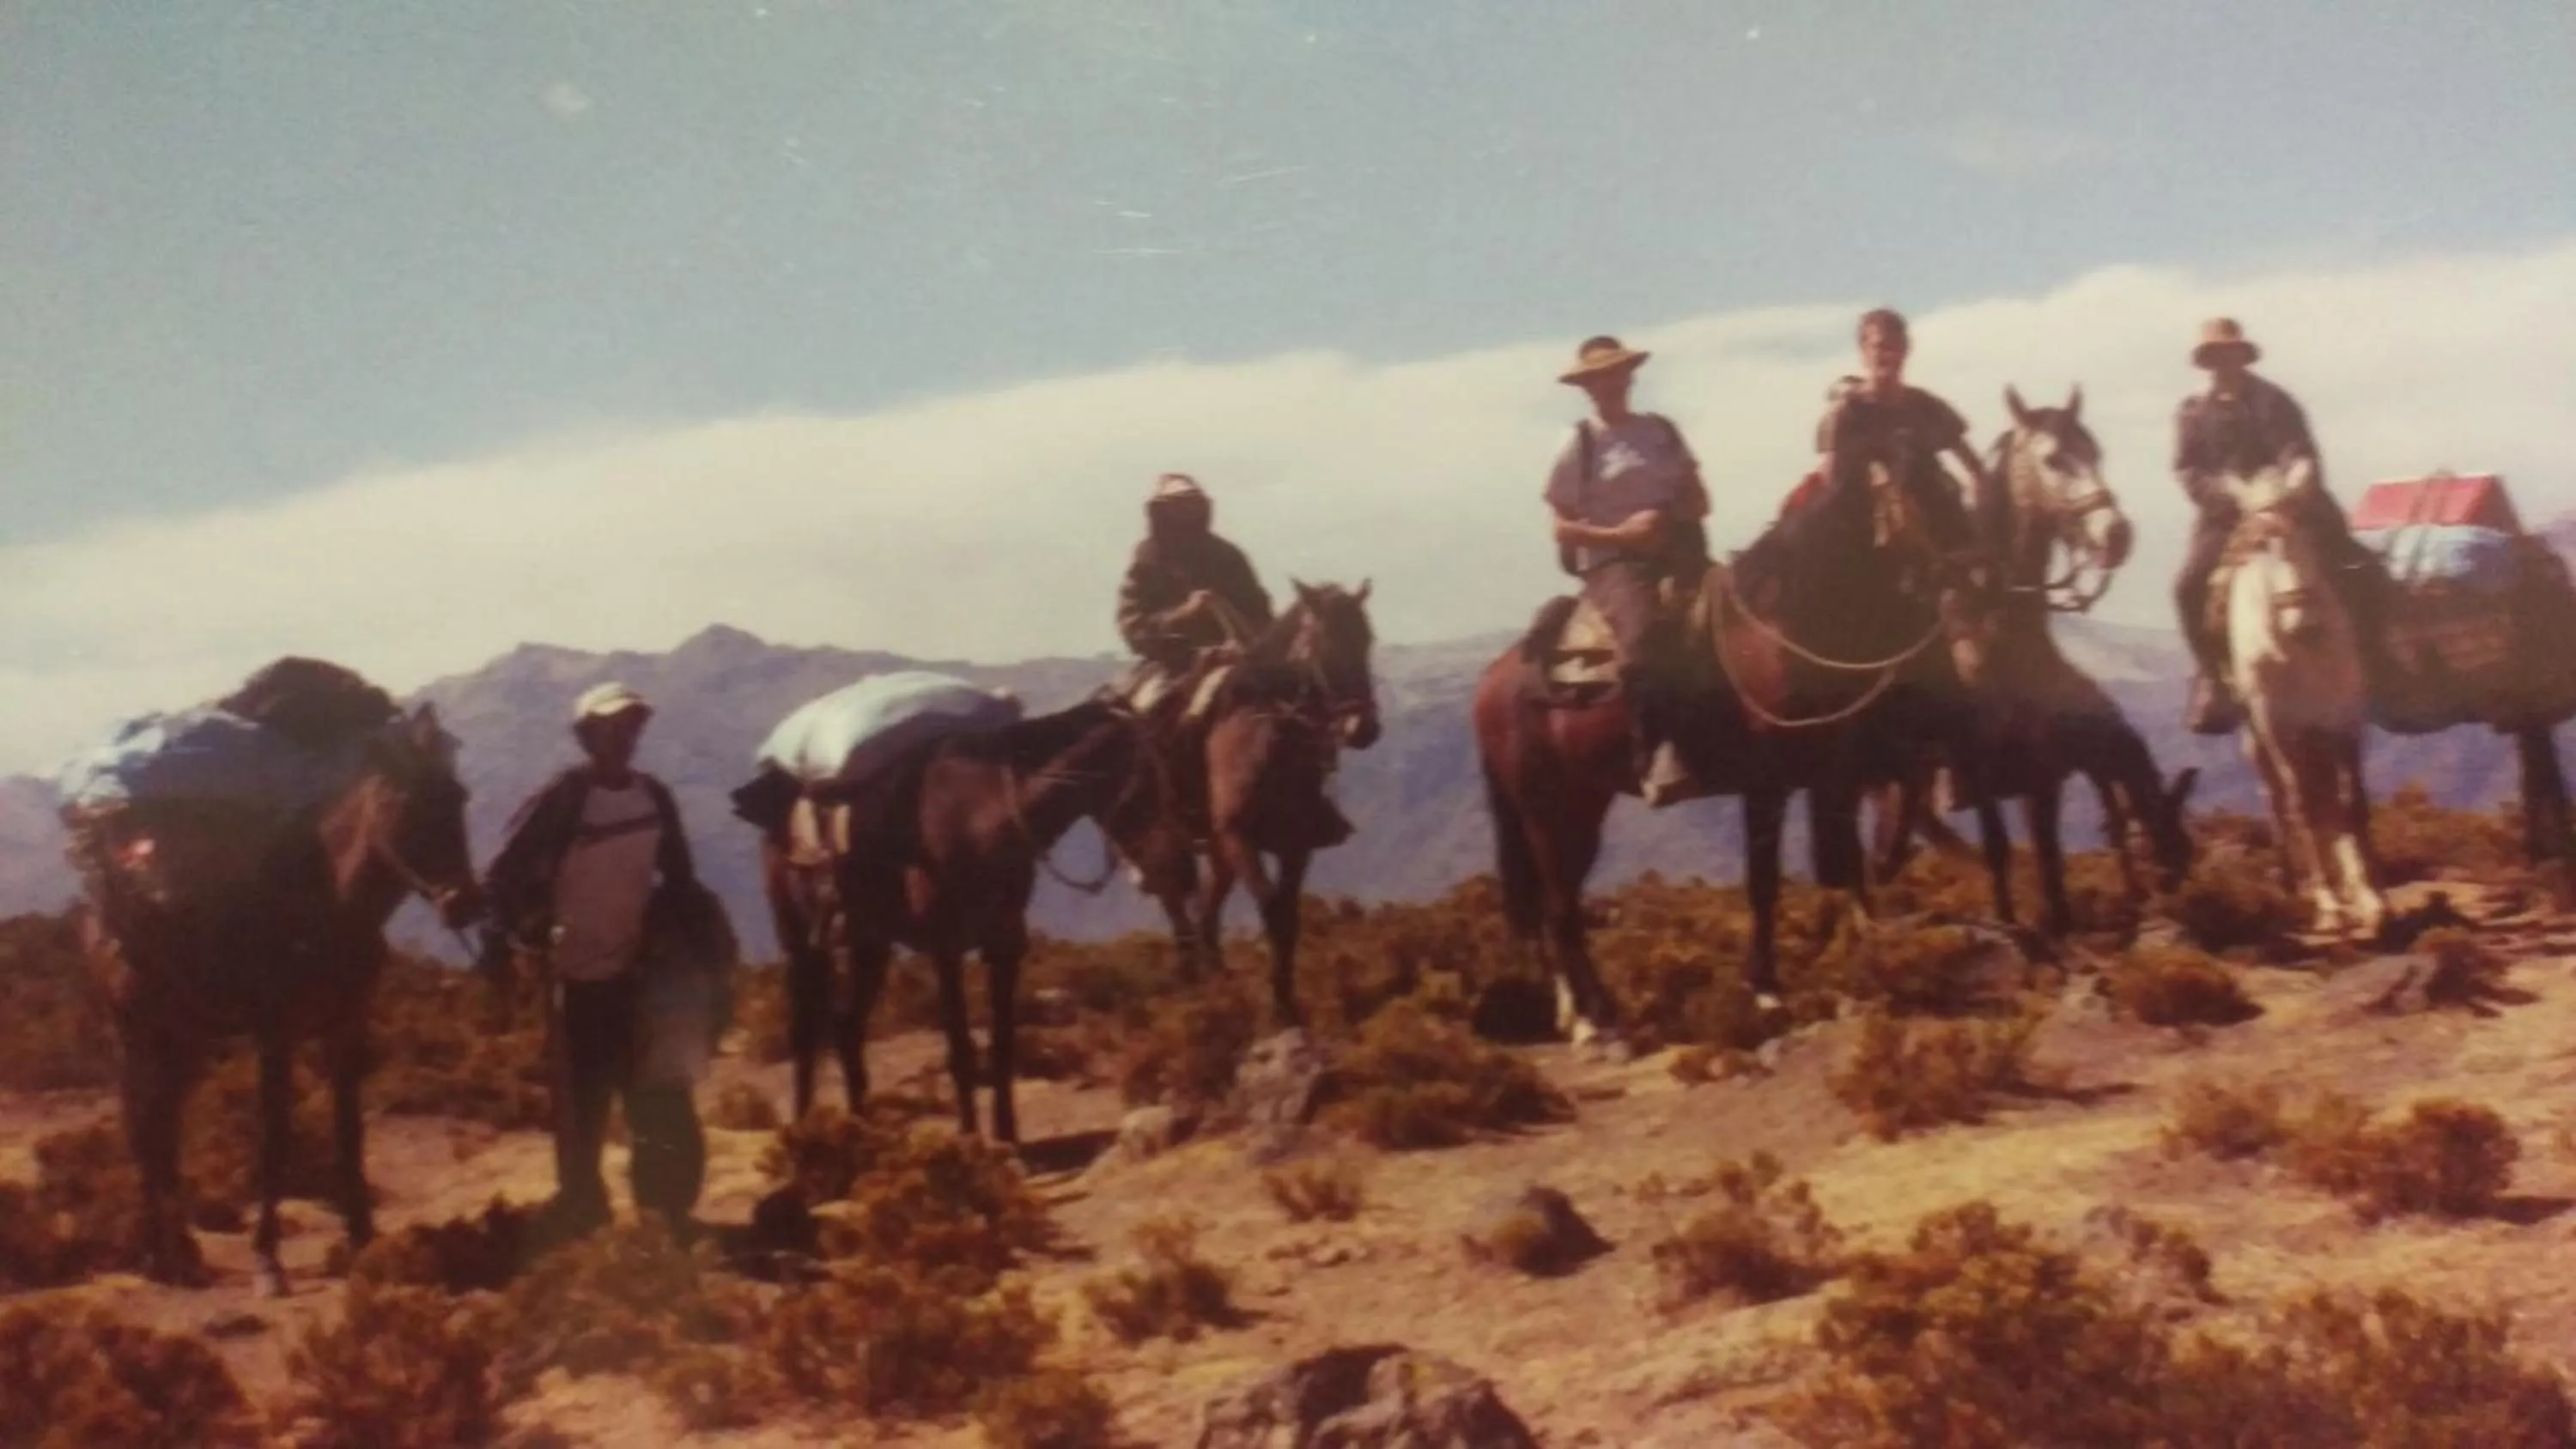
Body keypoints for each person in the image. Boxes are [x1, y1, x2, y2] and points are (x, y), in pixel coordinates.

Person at [482, 682, 708, 1240]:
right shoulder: (563, 798)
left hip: (639, 973)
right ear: (587, 736)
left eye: (632, 727)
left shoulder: (653, 796)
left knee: (657, 1094)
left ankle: (663, 1210)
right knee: (583, 1103)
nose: (625, 738)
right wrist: (514, 941)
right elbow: (503, 874)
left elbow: (678, 878)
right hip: (577, 972)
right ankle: (585, 1206)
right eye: (612, 728)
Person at [2172, 317, 2387, 734]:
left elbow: (2297, 449)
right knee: (2188, 587)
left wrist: (2296, 480)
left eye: (2230, 353)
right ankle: (2214, 680)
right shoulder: (2193, 413)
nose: (2223, 362)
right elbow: (2188, 469)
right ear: (2206, 362)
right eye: (2215, 356)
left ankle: (2376, 661)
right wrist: (2227, 495)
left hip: (2294, 505)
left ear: (2242, 356)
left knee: (2364, 570)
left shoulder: (2273, 401)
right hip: (2227, 517)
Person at [1542, 334, 1714, 807]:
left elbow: (1701, 500)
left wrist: (1674, 516)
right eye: (1597, 378)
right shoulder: (1579, 442)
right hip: (1614, 563)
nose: (1608, 384)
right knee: (1643, 639)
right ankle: (1655, 753)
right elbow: (1560, 526)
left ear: (1629, 376)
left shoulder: (1661, 430)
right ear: (1586, 387)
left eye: (1614, 373)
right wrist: (1623, 535)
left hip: (1680, 551)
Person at [1114, 473, 1276, 712]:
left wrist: (1241, 637)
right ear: (1162, 512)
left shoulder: (1228, 556)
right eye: (1178, 507)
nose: (1186, 513)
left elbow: (1262, 616)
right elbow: (1133, 626)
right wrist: (1184, 614)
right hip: (1170, 666)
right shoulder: (1148, 558)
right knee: (1134, 718)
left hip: (1235, 662)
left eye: (1191, 505)